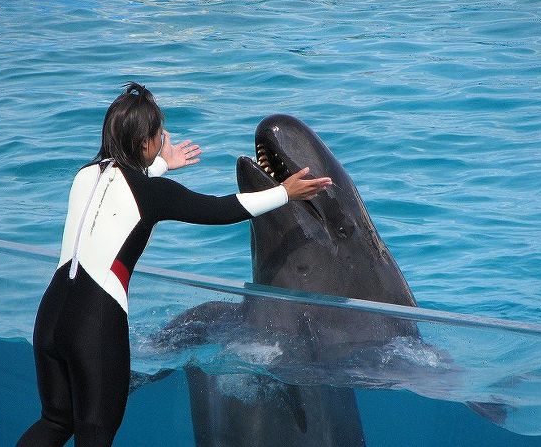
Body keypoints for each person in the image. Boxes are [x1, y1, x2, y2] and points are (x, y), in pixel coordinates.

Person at [17, 82, 332, 446]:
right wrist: (285, 193)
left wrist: (163, 164)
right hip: (94, 321)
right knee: (96, 432)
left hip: (50, 318)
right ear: (145, 143)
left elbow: (122, 190)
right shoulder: (153, 194)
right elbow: (221, 209)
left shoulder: (84, 176)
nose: (162, 139)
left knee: (55, 422)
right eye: (158, 135)